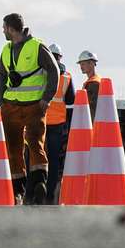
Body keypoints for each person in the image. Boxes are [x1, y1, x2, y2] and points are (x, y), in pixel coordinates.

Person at [0, 13, 59, 203]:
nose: (2, 31)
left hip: (34, 106)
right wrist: (1, 101)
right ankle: (19, 192)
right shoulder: (6, 50)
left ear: (10, 28)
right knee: (14, 148)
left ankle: (37, 185)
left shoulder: (37, 47)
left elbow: (54, 71)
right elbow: (0, 74)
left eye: (4, 27)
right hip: (11, 106)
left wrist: (46, 99)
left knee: (34, 144)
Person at [43, 43, 76, 204]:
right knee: (54, 159)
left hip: (40, 120)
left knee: (36, 156)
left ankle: (36, 191)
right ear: (60, 58)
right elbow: (71, 100)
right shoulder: (67, 76)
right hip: (57, 123)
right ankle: (50, 195)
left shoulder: (42, 73)